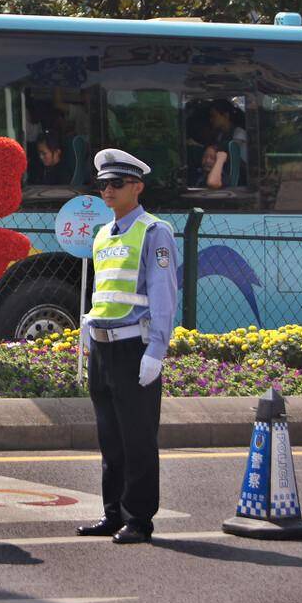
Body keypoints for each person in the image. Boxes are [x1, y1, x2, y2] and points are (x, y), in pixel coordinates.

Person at [77, 149, 178, 545]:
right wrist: (89, 324)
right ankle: (112, 512)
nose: (107, 190)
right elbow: (105, 291)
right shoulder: (103, 234)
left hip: (134, 346)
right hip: (102, 347)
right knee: (110, 438)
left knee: (137, 438)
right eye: (103, 184)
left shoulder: (155, 232)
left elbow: (164, 297)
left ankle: (139, 519)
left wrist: (156, 351)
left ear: (137, 186)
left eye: (116, 183)